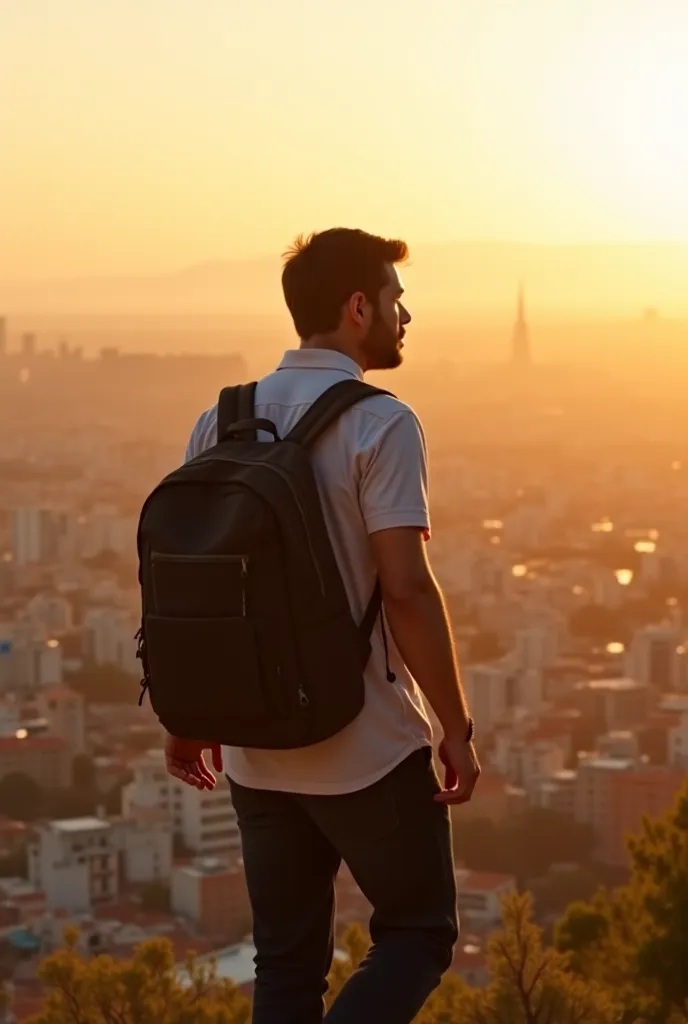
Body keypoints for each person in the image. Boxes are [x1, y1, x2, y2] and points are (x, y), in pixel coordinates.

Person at [165, 228, 480, 1023]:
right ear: (358, 307)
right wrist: (456, 724)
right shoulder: (381, 423)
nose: (407, 315)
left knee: (285, 966)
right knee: (417, 931)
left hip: (255, 752)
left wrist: (192, 713)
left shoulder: (221, 420)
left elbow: (195, 586)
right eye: (397, 299)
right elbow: (405, 589)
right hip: (364, 743)